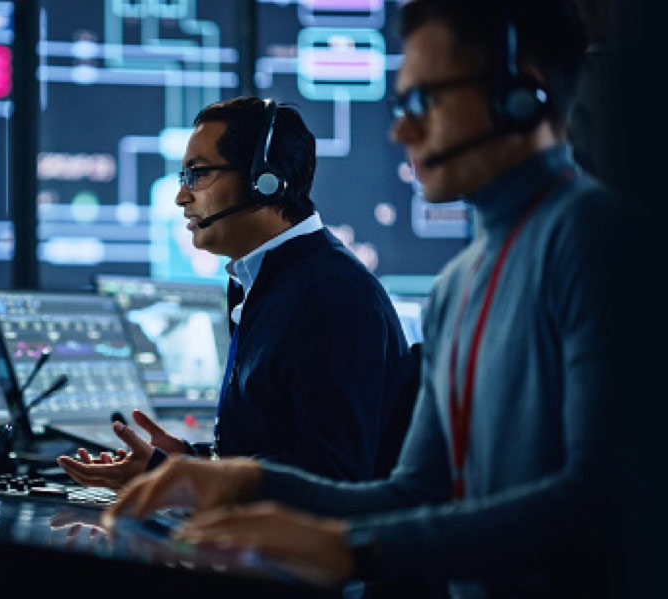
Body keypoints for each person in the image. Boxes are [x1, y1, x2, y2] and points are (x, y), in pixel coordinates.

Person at [104, 1, 621, 596]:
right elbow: (413, 493)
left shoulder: (593, 238)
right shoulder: (459, 282)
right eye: (401, 105)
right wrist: (237, 481)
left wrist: (351, 547)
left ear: (520, 94)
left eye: (425, 99)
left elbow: (596, 501)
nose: (401, 129)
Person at [58, 97, 417, 490]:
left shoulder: (333, 298)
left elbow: (332, 475)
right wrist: (182, 461)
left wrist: (189, 482)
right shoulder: (265, 280)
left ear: (265, 180)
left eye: (197, 174)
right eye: (183, 177)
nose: (182, 196)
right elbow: (269, 447)